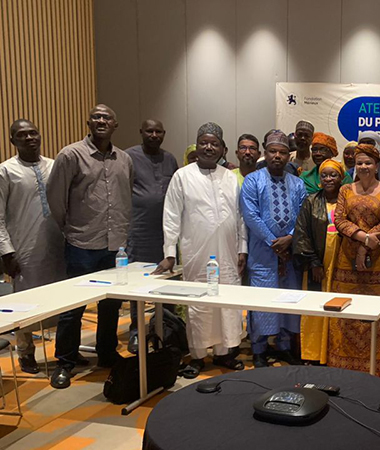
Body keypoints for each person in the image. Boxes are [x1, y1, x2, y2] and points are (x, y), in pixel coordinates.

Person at [46, 104, 133, 389]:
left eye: (107, 117)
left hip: (115, 246)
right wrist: (71, 229)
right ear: (88, 122)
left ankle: (107, 354)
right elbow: (56, 199)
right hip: (82, 242)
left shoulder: (124, 159)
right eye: (96, 116)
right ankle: (65, 362)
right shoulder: (71, 155)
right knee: (74, 308)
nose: (101, 120)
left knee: (111, 305)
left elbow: (125, 197)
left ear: (115, 125)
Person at [156, 122, 247, 378]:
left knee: (227, 303)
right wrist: (170, 253)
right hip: (196, 251)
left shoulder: (230, 177)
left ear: (222, 148)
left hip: (228, 252)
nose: (209, 147)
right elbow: (171, 215)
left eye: (214, 143)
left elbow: (240, 216)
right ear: (197, 146)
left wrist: (243, 248)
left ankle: (225, 352)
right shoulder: (182, 176)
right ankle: (197, 356)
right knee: (199, 305)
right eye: (204, 142)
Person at [0, 119, 65, 374]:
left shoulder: (54, 166)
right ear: (12, 141)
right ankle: (26, 353)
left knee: (62, 300)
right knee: (25, 301)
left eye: (33, 133)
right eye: (22, 134)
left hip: (56, 244)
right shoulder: (6, 171)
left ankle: (64, 352)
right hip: (23, 247)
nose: (29, 138)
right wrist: (6, 251)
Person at [327, 144, 380, 375]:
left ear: (377, 165)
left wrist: (365, 248)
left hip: (379, 262)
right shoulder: (345, 190)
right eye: (360, 163)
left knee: (375, 313)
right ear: (354, 166)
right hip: (346, 262)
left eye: (368, 163)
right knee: (346, 312)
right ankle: (341, 368)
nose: (364, 167)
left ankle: (374, 370)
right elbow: (339, 219)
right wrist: (363, 239)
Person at [241, 130, 307, 367]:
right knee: (262, 301)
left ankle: (284, 346)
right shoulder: (252, 180)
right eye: (273, 151)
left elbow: (302, 215)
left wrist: (289, 237)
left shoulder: (298, 184)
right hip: (262, 253)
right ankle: (258, 349)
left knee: (289, 301)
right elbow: (251, 215)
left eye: (282, 152)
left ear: (289, 156)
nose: (277, 156)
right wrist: (273, 241)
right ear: (265, 154)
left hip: (290, 254)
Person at [125, 119, 179, 354]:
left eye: (158, 131)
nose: (154, 135)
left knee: (169, 282)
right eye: (149, 130)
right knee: (139, 285)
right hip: (139, 230)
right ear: (141, 132)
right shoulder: (128, 158)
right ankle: (137, 331)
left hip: (167, 232)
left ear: (164, 134)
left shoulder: (170, 159)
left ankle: (167, 329)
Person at [293, 159, 346, 365]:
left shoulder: (347, 198)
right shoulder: (311, 201)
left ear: (341, 177)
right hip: (318, 264)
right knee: (316, 308)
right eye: (324, 175)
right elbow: (302, 233)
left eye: (333, 175)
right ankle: (313, 354)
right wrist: (314, 262)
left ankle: (335, 352)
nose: (329, 179)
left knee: (339, 307)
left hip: (341, 263)